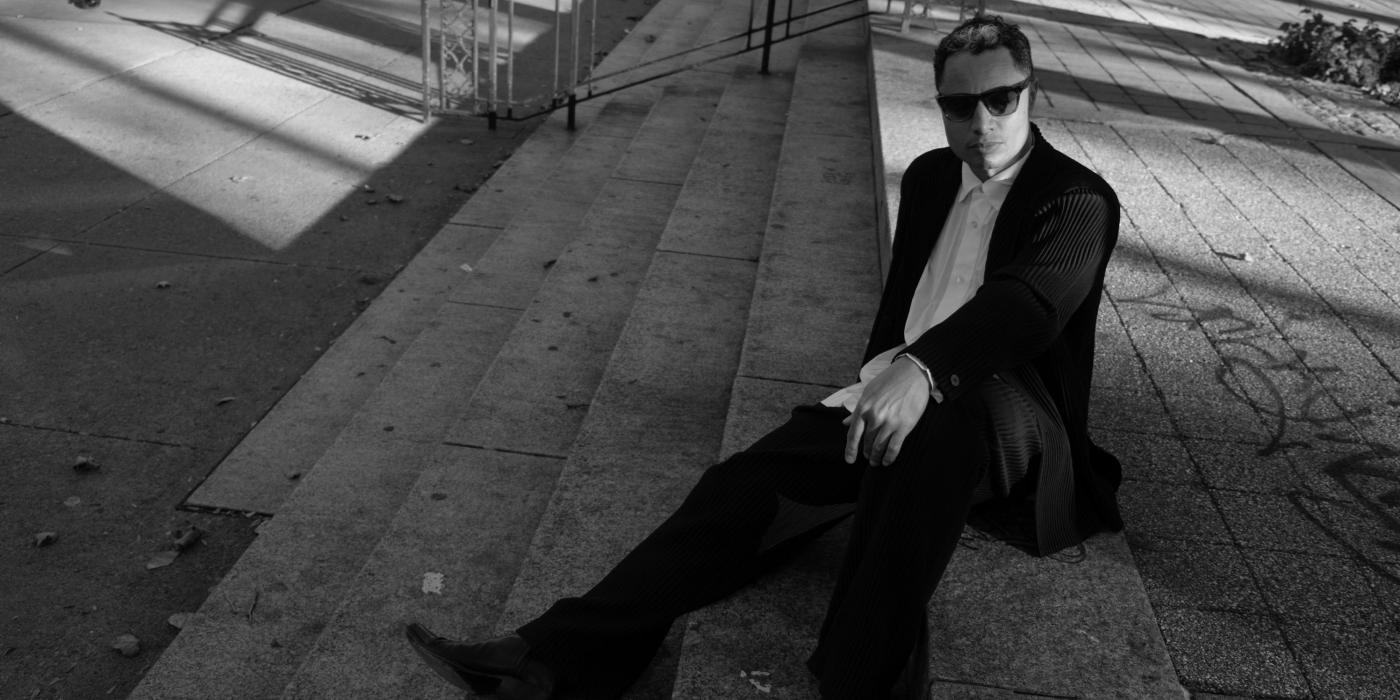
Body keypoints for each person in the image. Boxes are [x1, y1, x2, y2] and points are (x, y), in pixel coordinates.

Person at [404, 14, 1124, 700]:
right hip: (899, 388)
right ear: (939, 107)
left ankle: (860, 679)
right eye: (960, 106)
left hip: (1015, 419)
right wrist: (889, 376)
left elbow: (1029, 305)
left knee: (932, 432)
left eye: (1001, 100)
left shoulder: (1077, 198)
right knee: (744, 485)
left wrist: (925, 370)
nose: (981, 122)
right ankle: (545, 662)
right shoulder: (933, 176)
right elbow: (905, 305)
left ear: (1032, 92)